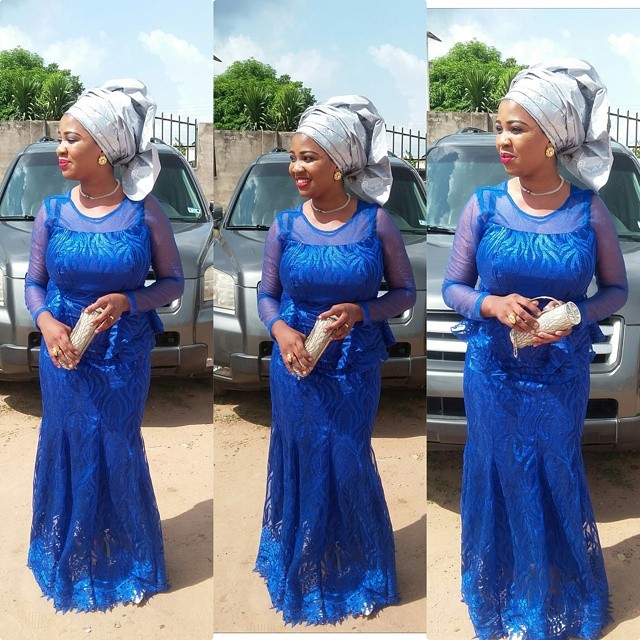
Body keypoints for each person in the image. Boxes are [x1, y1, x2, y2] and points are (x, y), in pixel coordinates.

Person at [442, 59, 628, 640]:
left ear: (551, 139)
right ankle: (504, 592)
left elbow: (615, 290)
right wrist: (492, 305)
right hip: (493, 372)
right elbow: (453, 288)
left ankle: (558, 587)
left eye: (516, 129)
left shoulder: (588, 210)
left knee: (553, 470)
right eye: (499, 127)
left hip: (559, 374)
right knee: (498, 468)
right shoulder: (482, 206)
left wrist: (575, 315)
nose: (502, 139)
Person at [255, 95, 416, 625]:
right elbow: (267, 295)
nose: (296, 168)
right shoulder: (283, 226)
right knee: (301, 456)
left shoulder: (376, 224)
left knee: (347, 456)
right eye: (294, 157)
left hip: (354, 366)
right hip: (296, 366)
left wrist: (362, 311)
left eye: (309, 158)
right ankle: (302, 563)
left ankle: (358, 565)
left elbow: (405, 294)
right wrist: (282, 332)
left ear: (340, 165)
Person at [25, 79, 184, 612]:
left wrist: (127, 301)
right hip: (64, 354)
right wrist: (48, 323)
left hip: (122, 356)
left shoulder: (144, 212)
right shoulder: (51, 212)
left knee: (116, 444)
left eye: (71, 139)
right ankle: (69, 552)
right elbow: (34, 284)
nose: (60, 148)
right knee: (68, 442)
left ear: (104, 149)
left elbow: (172, 283)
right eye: (60, 138)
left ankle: (128, 557)